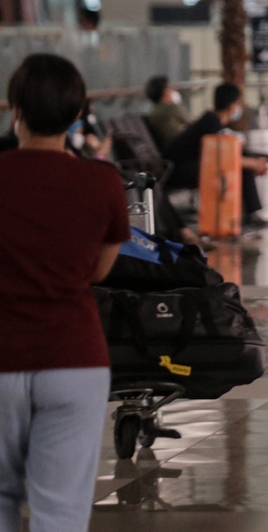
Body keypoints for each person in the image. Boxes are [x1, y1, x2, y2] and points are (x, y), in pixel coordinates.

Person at [0, 54, 130, 532]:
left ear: (16, 112)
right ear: (77, 116)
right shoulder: (103, 182)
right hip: (74, 359)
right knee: (61, 512)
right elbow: (98, 270)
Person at [164, 83, 268, 226]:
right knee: (240, 168)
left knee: (242, 162)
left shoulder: (211, 120)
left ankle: (248, 213)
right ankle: (250, 214)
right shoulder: (211, 124)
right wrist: (253, 164)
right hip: (179, 171)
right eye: (238, 104)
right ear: (232, 106)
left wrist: (252, 162)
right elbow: (222, 158)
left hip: (184, 167)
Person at [145, 75, 193, 147]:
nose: (173, 90)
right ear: (165, 92)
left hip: (171, 145)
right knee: (208, 119)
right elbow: (192, 121)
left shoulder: (155, 111)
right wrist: (178, 104)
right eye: (170, 87)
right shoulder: (171, 108)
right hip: (182, 144)